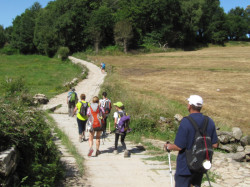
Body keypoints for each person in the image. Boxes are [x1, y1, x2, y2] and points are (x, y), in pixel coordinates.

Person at [164, 95, 218, 187]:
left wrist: (168, 146)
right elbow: (215, 144)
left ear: (189, 106)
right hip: (200, 165)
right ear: (200, 106)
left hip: (185, 167)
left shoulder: (186, 122)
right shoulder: (209, 121)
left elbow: (179, 146)